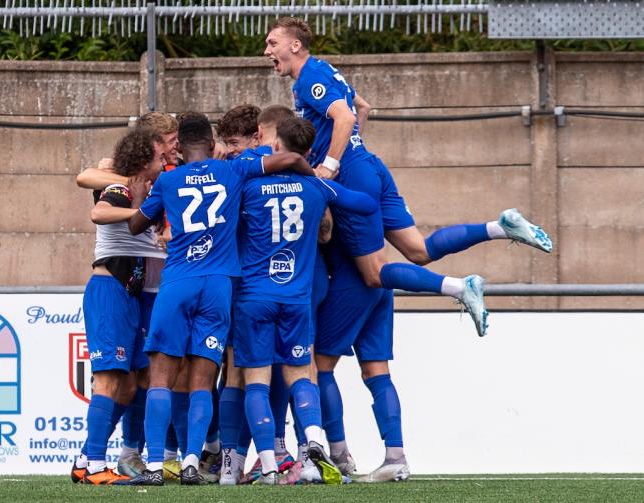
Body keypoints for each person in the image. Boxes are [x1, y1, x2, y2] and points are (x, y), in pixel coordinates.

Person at [264, 17, 554, 481]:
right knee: (417, 249)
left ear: (295, 44)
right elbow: (361, 104)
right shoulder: (326, 71)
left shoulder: (311, 76)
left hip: (352, 173)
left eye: (273, 42)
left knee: (375, 273)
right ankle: (499, 227)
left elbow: (344, 115)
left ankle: (459, 287)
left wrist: (332, 164)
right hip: (372, 165)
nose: (267, 50)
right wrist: (353, 149)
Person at [125, 112, 316, 486]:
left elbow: (135, 225)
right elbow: (292, 159)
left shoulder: (167, 179)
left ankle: (152, 466)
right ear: (213, 145)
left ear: (178, 147)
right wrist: (315, 183)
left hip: (179, 280)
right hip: (219, 285)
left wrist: (137, 195)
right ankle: (194, 461)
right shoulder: (232, 170)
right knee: (203, 378)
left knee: (161, 377)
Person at [233, 116, 378, 485]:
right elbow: (364, 204)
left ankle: (268, 465)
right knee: (301, 376)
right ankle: (313, 445)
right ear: (310, 151)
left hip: (254, 297)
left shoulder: (249, 185)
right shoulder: (317, 187)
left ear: (276, 146)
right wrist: (327, 180)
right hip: (296, 299)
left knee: (256, 383)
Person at [75, 112, 189, 480]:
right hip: (110, 290)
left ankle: (90, 458)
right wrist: (141, 213)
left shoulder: (161, 184)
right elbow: (98, 210)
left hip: (136, 293)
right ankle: (93, 464)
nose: (167, 158)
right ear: (146, 156)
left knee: (135, 381)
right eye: (161, 153)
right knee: (109, 380)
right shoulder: (122, 187)